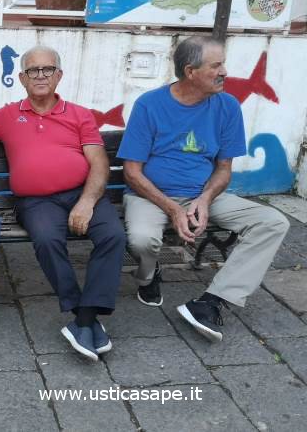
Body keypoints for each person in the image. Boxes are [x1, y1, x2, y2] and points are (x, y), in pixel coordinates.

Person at [118, 36, 289, 342]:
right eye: (216, 65)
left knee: (273, 222)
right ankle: (148, 275)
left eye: (223, 63)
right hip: (151, 194)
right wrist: (173, 209)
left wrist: (205, 200)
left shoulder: (227, 106)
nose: (224, 71)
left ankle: (212, 300)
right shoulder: (150, 105)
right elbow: (132, 173)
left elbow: (224, 169)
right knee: (144, 240)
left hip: (203, 193)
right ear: (190, 71)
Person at [0, 45, 125, 362]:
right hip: (35, 201)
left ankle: (84, 318)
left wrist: (85, 202)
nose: (40, 76)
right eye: (32, 70)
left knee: (113, 236)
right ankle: (82, 314)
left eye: (47, 69)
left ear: (59, 75)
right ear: (22, 78)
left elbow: (99, 164)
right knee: (46, 238)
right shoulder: (8, 116)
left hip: (82, 194)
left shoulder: (80, 115)